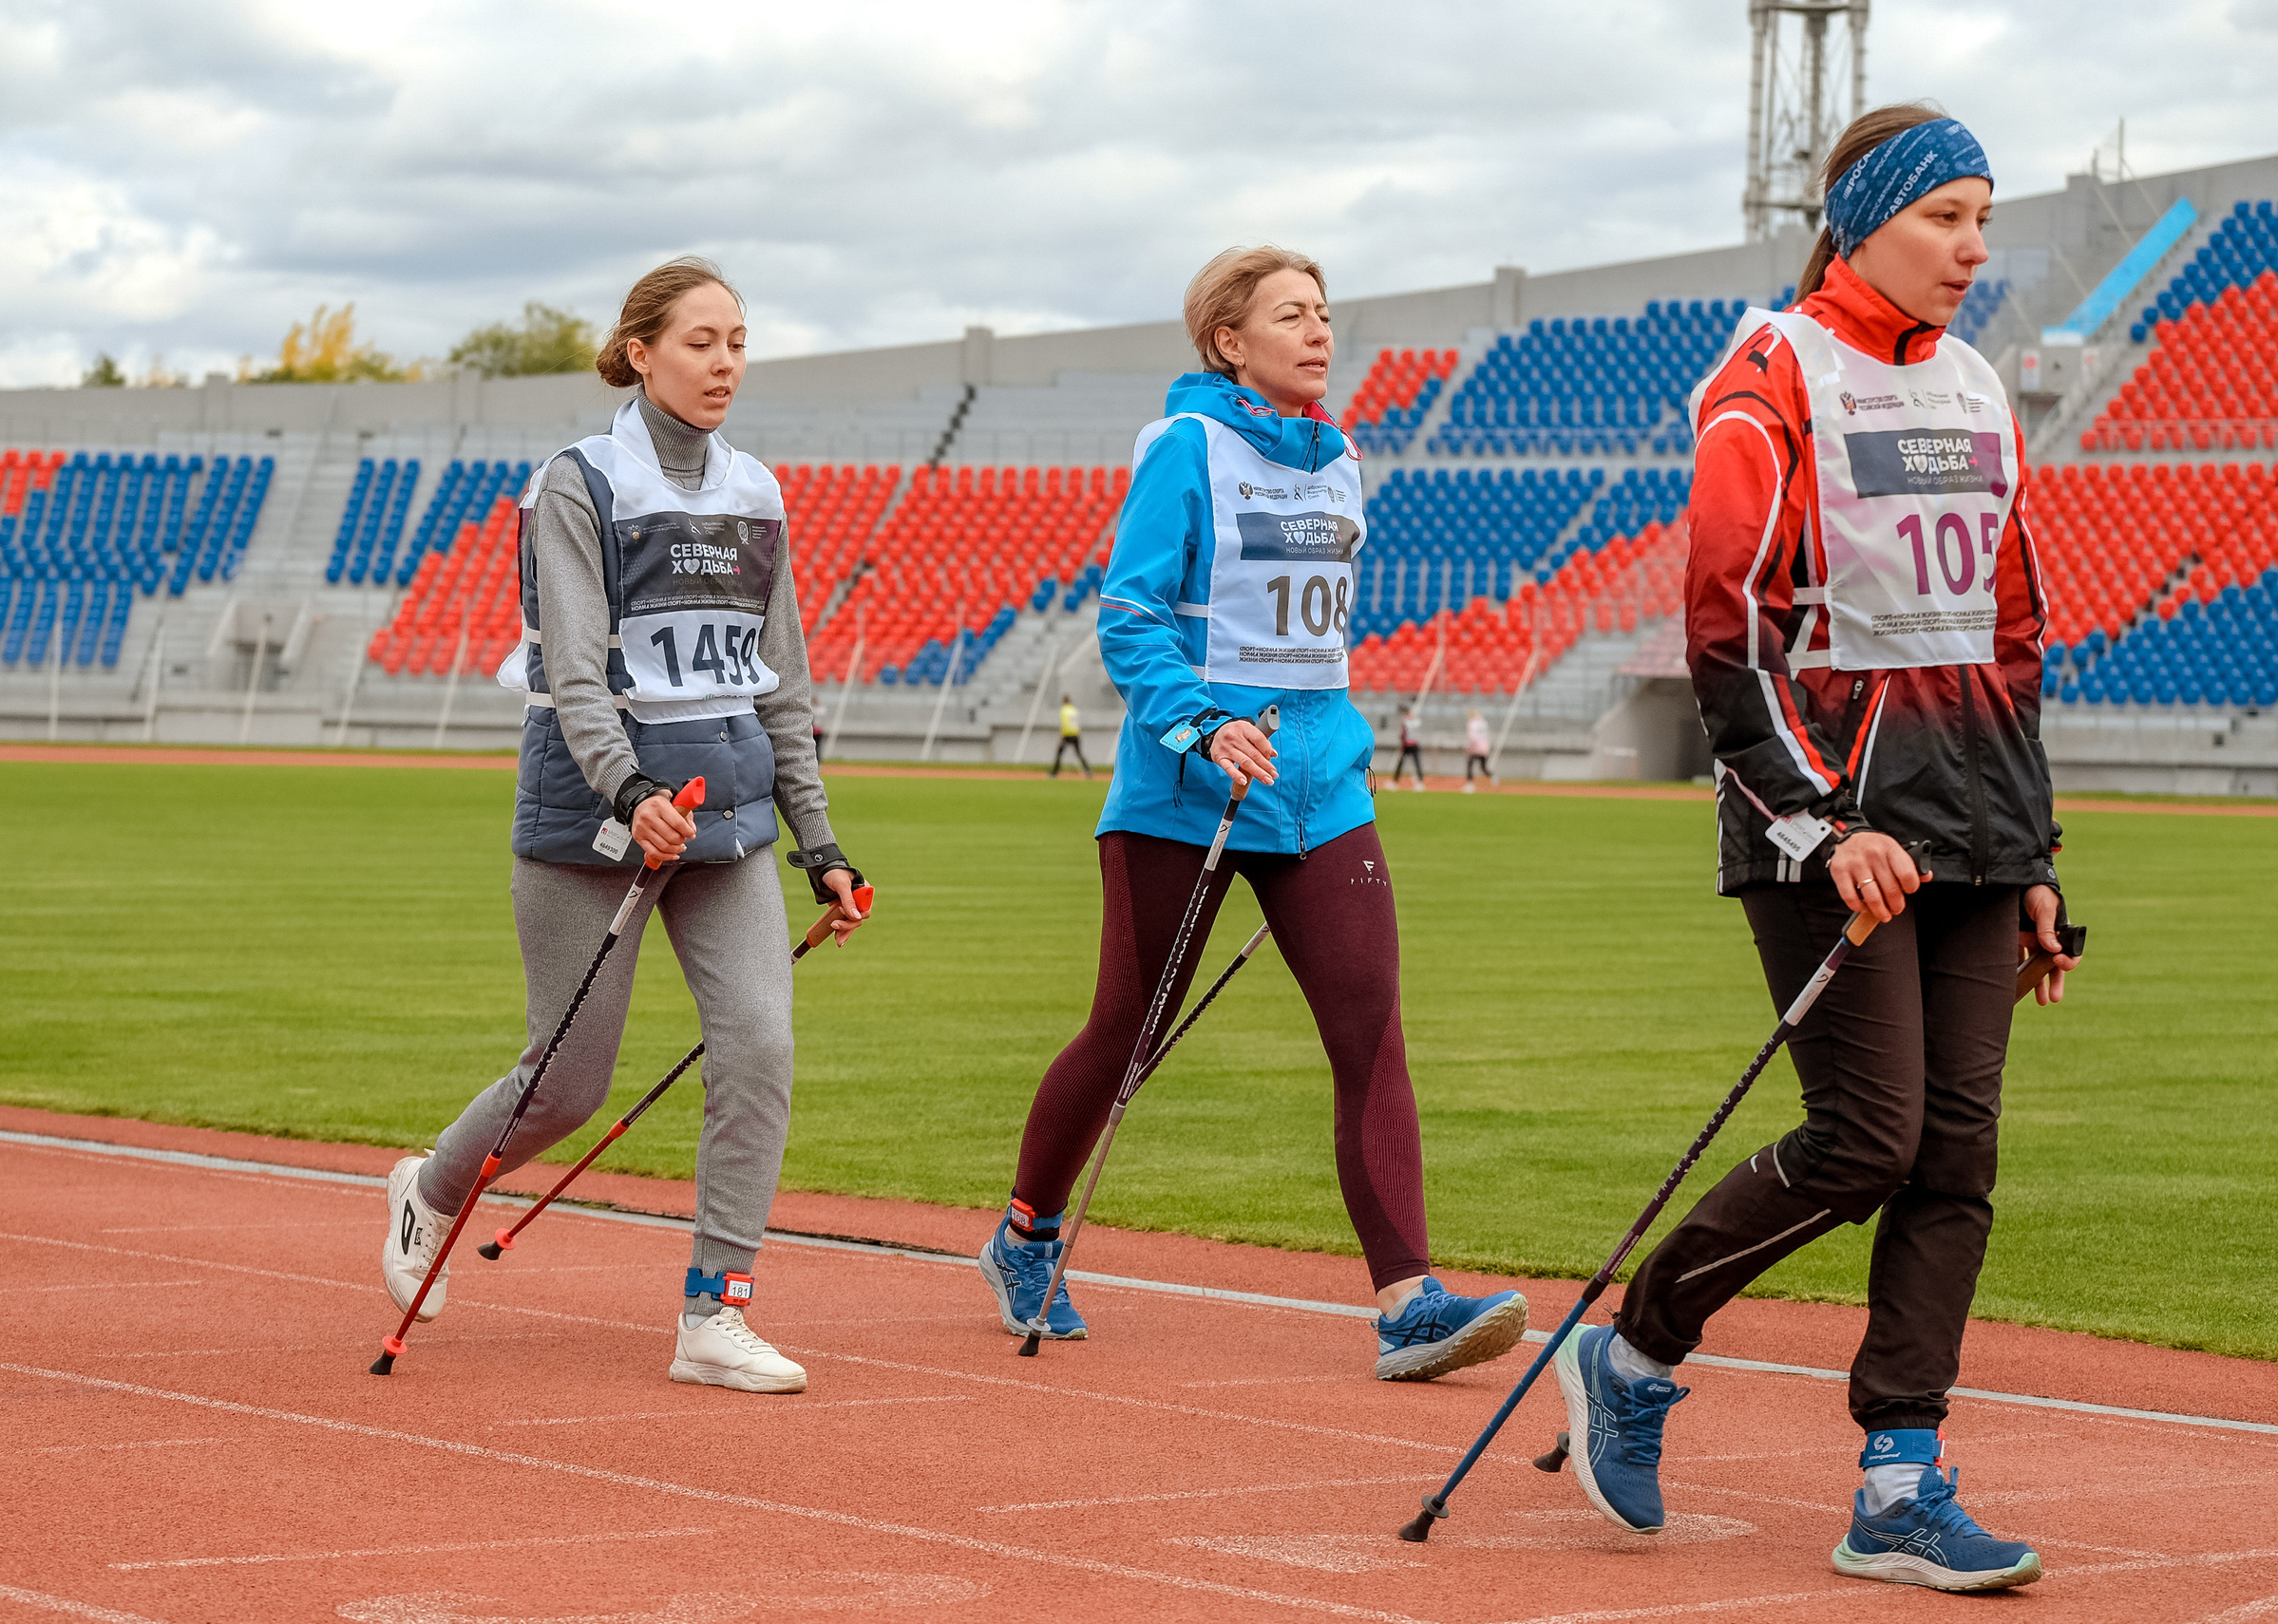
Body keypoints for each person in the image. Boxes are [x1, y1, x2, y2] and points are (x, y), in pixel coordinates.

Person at [1551, 107, 2079, 1592]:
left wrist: (2035, 851)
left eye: (1986, 217)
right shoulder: (1771, 374)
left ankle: (1899, 1478)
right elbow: (1726, 630)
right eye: (1947, 218)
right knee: (1868, 1137)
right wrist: (1817, 820)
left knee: (1956, 1157)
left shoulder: (1978, 384)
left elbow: (2015, 633)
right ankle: (1638, 1353)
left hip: (1975, 825)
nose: (1975, 248)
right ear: (1863, 222)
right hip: (1827, 825)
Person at [978, 244, 1528, 1381]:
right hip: (1188, 787)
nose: (1322, 332)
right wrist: (1202, 724)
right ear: (1231, 341)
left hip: (1321, 786)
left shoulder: (1340, 460)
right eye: (1292, 315)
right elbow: (1127, 614)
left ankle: (1409, 1303)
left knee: (1370, 1034)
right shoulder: (1185, 451)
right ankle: (1027, 1232)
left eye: (1326, 313)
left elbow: (1311, 633)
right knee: (1127, 1027)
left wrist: (1313, 735)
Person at [378, 257, 868, 1395]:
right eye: (702, 341)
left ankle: (716, 1310)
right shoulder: (576, 482)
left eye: (738, 341)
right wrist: (627, 793)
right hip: (596, 814)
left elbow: (779, 685)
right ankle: (432, 1190)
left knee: (760, 1045)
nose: (726, 363)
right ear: (641, 352)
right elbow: (576, 670)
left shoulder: (756, 492)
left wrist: (823, 846)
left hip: (730, 813)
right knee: (568, 1082)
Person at [1051, 693, 1091, 779]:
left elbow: (1064, 723)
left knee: (1059, 754)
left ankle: (1054, 773)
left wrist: (1061, 735)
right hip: (1076, 734)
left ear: (1063, 701)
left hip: (1067, 734)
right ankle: (1088, 771)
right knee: (1079, 754)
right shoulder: (1074, 710)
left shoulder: (1064, 710)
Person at [1390, 700, 1426, 789]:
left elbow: (1404, 734)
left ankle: (1419, 781)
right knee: (1404, 763)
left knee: (1415, 763)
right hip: (1408, 745)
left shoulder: (1409, 722)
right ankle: (1396, 780)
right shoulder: (1413, 722)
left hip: (1410, 745)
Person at [1463, 708, 1493, 790]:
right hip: (1485, 748)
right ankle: (1494, 778)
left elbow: (1472, 737)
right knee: (1483, 768)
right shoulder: (1483, 723)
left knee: (1470, 764)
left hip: (1475, 748)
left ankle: (1470, 784)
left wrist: (1469, 747)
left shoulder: (1472, 723)